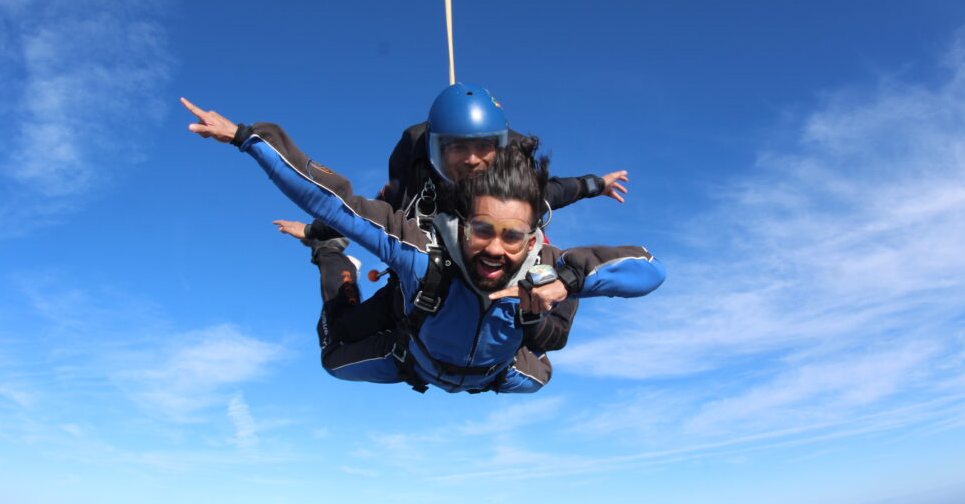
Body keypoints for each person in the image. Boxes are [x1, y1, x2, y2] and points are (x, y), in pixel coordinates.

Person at [181, 97, 666, 393]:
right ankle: (333, 264)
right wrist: (247, 138)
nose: (496, 249)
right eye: (482, 231)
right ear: (461, 223)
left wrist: (565, 280)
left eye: (513, 236)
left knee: (545, 367)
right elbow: (339, 206)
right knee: (334, 355)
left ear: (531, 233)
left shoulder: (546, 263)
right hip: (414, 357)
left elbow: (649, 268)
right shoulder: (422, 248)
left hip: (499, 371)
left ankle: (496, 350)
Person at [280, 83, 628, 360]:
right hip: (424, 288)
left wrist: (596, 184)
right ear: (436, 150)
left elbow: (558, 190)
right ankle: (333, 257)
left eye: (484, 147)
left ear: (500, 148)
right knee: (339, 335)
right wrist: (315, 232)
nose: (473, 160)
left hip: (498, 286)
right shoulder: (417, 192)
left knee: (551, 336)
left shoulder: (513, 197)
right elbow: (362, 212)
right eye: (457, 147)